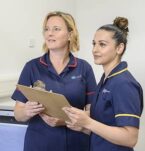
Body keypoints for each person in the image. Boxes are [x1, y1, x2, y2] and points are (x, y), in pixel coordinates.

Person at [11, 11, 96, 151]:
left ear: (70, 34)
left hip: (76, 144)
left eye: (56, 29)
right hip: (39, 144)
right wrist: (27, 110)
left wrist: (65, 120)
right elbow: (18, 114)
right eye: (47, 29)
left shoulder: (84, 68)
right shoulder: (31, 67)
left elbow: (92, 113)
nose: (49, 33)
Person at [63, 17, 143, 151]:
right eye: (94, 43)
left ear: (119, 48)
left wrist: (88, 122)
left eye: (102, 44)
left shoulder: (124, 83)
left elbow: (130, 138)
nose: (95, 49)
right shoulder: (105, 80)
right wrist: (84, 127)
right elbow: (104, 126)